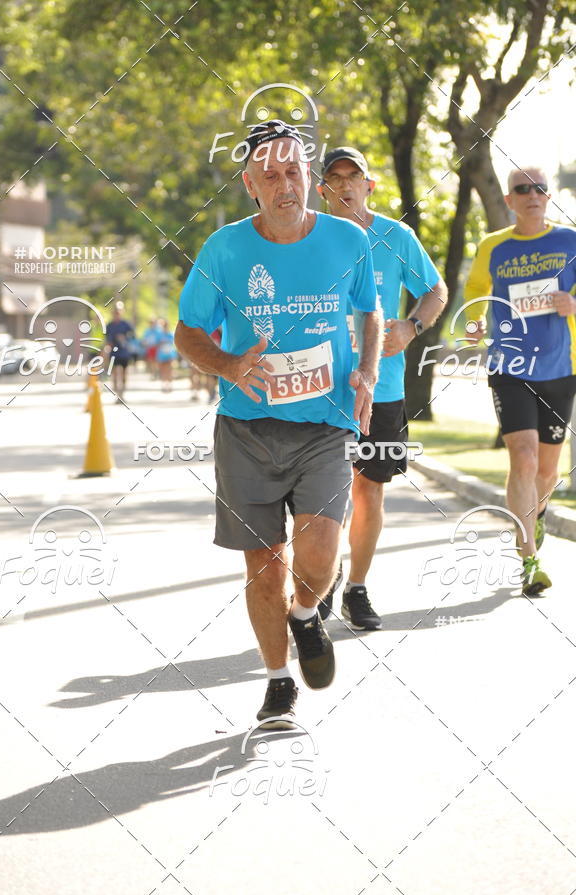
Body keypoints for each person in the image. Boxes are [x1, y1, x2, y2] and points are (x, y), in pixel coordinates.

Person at [175, 121, 382, 729]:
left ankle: (305, 612)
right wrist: (230, 363)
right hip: (247, 428)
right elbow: (187, 332)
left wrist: (367, 372)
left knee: (319, 557)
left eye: (294, 171)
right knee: (263, 564)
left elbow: (370, 312)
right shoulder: (225, 250)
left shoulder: (348, 241)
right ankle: (277, 680)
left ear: (309, 180)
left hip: (324, 424)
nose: (284, 183)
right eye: (270, 174)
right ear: (251, 185)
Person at [318, 147, 448, 628]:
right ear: (323, 190)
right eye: (335, 178)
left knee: (369, 491)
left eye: (355, 177)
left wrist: (412, 327)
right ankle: (322, 575)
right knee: (322, 493)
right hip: (320, 387)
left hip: (383, 388)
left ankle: (356, 587)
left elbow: (435, 290)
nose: (345, 185)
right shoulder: (309, 238)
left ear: (369, 186)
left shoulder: (396, 236)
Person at [464, 165, 576, 596]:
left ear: (548, 197)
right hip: (509, 368)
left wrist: (572, 301)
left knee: (546, 471)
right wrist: (474, 323)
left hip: (560, 368)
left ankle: (538, 510)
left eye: (540, 189)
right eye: (522, 189)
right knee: (524, 458)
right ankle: (529, 558)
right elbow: (476, 292)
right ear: (508, 200)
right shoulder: (493, 246)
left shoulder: (569, 241)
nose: (532, 194)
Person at [105, 302, 134, 401]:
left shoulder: (126, 324)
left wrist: (125, 338)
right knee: (115, 373)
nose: (116, 314)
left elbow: (133, 337)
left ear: (122, 312)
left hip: (124, 352)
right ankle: (117, 395)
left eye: (118, 312)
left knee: (124, 374)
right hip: (114, 353)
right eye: (115, 312)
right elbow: (106, 339)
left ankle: (122, 393)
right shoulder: (109, 325)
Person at [155, 317, 177, 391]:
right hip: (161, 354)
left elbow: (173, 343)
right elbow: (156, 343)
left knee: (170, 369)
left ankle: (170, 385)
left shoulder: (171, 334)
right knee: (163, 370)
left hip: (170, 354)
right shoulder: (159, 334)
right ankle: (164, 385)